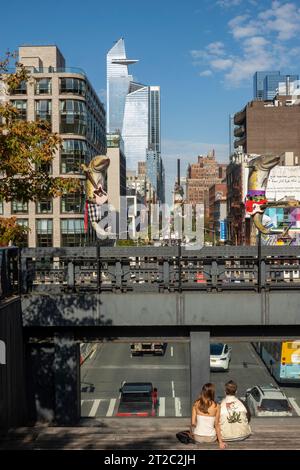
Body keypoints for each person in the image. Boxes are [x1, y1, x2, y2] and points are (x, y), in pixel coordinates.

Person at [191, 383, 226, 449]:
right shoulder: (217, 406)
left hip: (198, 437)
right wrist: (220, 442)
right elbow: (216, 425)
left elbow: (193, 423)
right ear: (212, 393)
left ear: (203, 391)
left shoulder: (196, 404)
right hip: (211, 438)